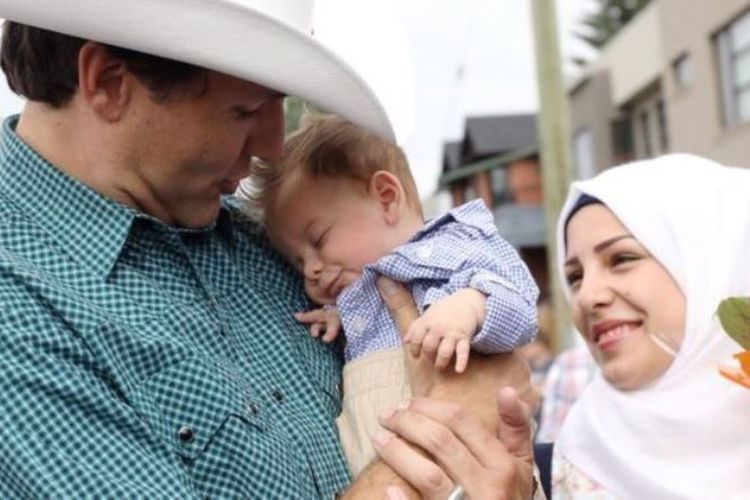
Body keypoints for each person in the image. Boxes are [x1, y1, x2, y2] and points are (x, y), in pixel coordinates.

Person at [0, 1, 535, 497]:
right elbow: (468, 406)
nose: (274, 146)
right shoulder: (17, 313)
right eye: (245, 110)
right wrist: (449, 430)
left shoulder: (273, 239)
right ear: (110, 83)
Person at [241, 114, 539, 475]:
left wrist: (468, 307)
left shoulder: (447, 246)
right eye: (298, 260)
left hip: (470, 466)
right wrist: (343, 315)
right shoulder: (362, 293)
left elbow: (518, 299)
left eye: (318, 239)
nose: (311, 269)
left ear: (386, 198)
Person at [552, 154, 750, 498]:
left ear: (712, 265)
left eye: (622, 259)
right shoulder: (554, 472)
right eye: (574, 277)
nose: (587, 296)